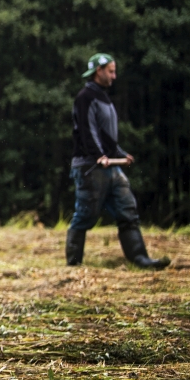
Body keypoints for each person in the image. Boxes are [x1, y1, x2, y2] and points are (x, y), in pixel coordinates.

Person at [65, 54, 169, 269]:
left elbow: (106, 137)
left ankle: (140, 259)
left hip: (110, 166)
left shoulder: (104, 97)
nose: (114, 76)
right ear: (98, 71)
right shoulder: (85, 97)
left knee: (128, 210)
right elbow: (87, 130)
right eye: (111, 71)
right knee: (86, 216)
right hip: (90, 166)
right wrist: (98, 156)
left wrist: (121, 153)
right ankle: (74, 267)